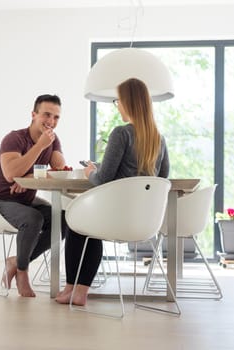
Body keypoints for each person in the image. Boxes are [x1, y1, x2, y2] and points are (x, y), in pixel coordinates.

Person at [55, 78, 170, 306]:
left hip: (116, 218)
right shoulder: (159, 139)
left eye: (118, 100)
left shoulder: (121, 133)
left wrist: (90, 172)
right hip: (144, 223)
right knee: (88, 225)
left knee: (77, 222)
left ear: (127, 102)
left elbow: (103, 179)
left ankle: (72, 288)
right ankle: (80, 291)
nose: (117, 105)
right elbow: (162, 177)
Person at [0, 94, 67, 297]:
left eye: (56, 117)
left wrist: (28, 177)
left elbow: (60, 169)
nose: (51, 122)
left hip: (25, 199)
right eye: (47, 115)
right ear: (33, 114)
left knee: (61, 220)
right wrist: (40, 147)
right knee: (33, 219)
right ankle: (22, 272)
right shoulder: (14, 138)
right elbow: (11, 174)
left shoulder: (52, 141)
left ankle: (17, 261)